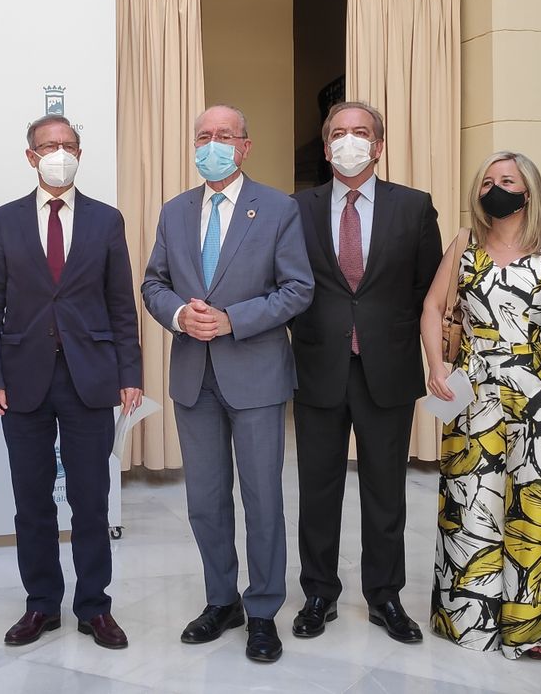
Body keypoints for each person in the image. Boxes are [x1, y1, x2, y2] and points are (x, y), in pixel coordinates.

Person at [141, 105, 314, 664]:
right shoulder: (174, 212)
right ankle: (222, 601)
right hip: (194, 378)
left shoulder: (278, 208)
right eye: (202, 136)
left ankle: (262, 609)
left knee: (263, 499)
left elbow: (297, 289)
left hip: (256, 377)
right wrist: (178, 316)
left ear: (244, 146)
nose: (211, 145)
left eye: (223, 137)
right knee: (206, 501)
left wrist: (235, 318)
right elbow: (153, 283)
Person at [0, 114, 145, 650]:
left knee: (91, 499)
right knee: (31, 501)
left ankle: (94, 606)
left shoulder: (106, 220)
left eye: (68, 145)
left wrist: (130, 373)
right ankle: (41, 604)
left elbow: (122, 305)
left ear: (80, 153)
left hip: (89, 379)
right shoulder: (4, 222)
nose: (59, 153)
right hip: (22, 380)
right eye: (48, 146)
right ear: (30, 156)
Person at [421, 151, 541, 660]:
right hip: (474, 389)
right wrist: (435, 367)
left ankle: (537, 626)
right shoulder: (463, 243)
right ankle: (470, 620)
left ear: (529, 189)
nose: (496, 188)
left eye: (508, 180)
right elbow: (432, 307)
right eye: (488, 181)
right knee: (471, 499)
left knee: (540, 505)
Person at [288, 102, 440, 643]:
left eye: (359, 133)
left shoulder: (415, 208)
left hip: (388, 369)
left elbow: (429, 292)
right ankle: (318, 594)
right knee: (318, 490)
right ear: (325, 145)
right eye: (337, 133)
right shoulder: (296, 209)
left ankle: (385, 596)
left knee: (385, 490)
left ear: (378, 146)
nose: (348, 141)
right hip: (317, 367)